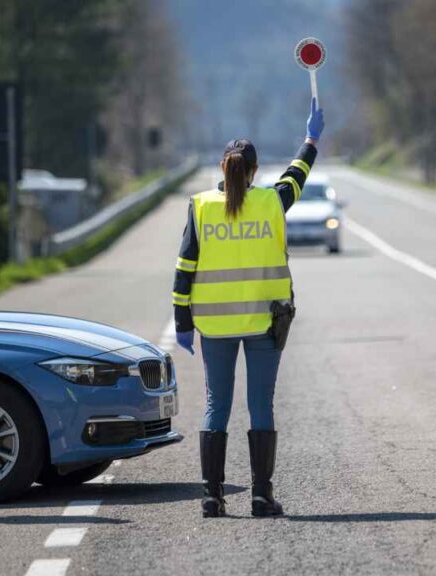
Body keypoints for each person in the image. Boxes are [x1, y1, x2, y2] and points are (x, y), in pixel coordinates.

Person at [172, 97, 324, 517]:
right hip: (263, 323)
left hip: (214, 326)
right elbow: (298, 174)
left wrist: (182, 321)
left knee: (215, 406)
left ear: (223, 168)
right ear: (254, 171)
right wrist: (310, 138)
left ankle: (211, 497)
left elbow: (184, 269)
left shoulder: (200, 206)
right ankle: (261, 496)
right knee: (261, 404)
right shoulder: (272, 201)